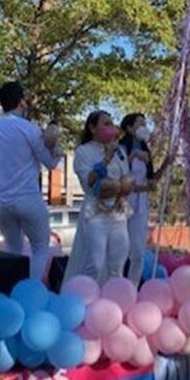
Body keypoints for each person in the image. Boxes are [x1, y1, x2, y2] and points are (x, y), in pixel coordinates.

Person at [0, 81, 62, 281]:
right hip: (28, 198)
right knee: (40, 248)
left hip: (1, 201)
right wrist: (56, 146)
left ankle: (11, 290)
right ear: (21, 102)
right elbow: (50, 162)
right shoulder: (29, 129)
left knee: (12, 247)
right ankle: (30, 290)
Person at [63, 111, 133, 283]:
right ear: (92, 127)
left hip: (117, 212)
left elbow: (126, 179)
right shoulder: (83, 151)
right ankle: (86, 299)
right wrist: (107, 157)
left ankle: (113, 303)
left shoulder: (120, 151)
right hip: (95, 214)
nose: (111, 128)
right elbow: (90, 182)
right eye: (106, 124)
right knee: (95, 263)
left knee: (117, 264)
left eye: (112, 123)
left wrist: (123, 186)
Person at [119, 113, 169, 284]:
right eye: (140, 124)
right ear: (129, 128)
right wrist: (133, 156)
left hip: (141, 205)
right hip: (123, 203)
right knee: (120, 250)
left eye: (145, 123)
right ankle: (116, 284)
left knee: (138, 252)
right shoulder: (121, 147)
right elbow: (118, 175)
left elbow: (151, 179)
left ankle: (133, 287)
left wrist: (165, 165)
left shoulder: (145, 150)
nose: (144, 127)